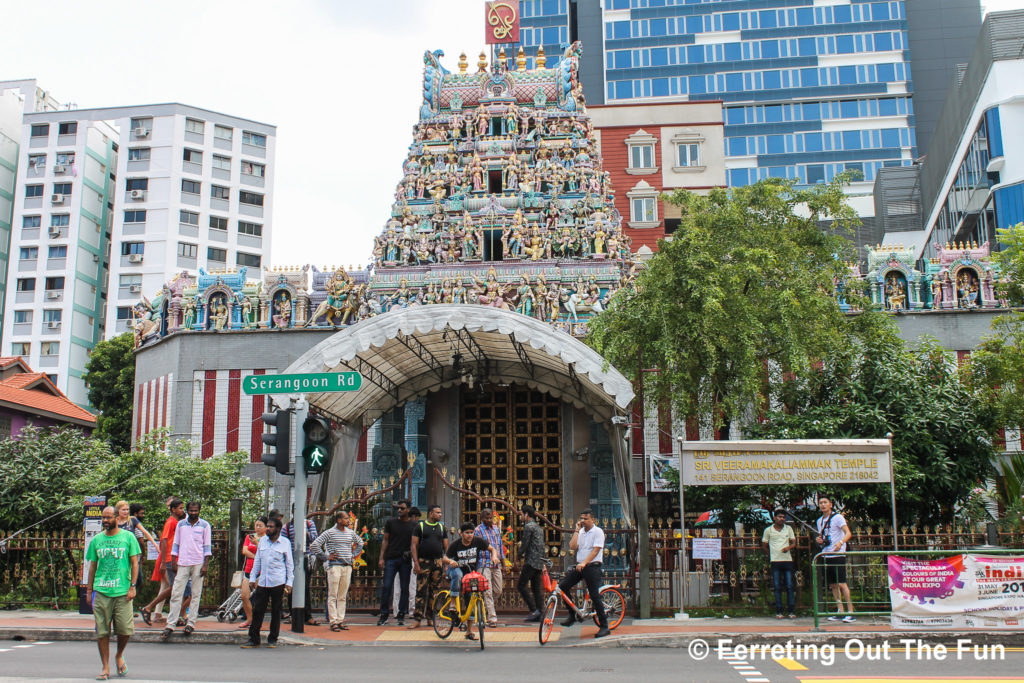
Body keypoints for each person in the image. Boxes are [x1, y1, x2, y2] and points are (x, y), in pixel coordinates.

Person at [86, 506, 141, 680]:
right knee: (102, 632)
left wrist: (132, 586)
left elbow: (134, 564)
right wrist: (89, 590)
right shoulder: (97, 540)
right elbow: (93, 566)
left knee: (125, 630)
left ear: (117, 518)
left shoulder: (128, 537)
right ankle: (105, 667)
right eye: (103, 518)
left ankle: (119, 655)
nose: (105, 521)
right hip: (101, 591)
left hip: (122, 591)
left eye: (108, 517)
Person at [161, 501, 212, 639]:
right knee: (176, 593)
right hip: (183, 562)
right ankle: (170, 624)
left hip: (198, 562)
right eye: (191, 510)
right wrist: (173, 560)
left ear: (199, 511)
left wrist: (205, 564)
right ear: (188, 511)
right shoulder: (181, 524)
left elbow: (207, 547)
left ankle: (191, 622)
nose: (193, 513)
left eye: (196, 510)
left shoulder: (205, 525)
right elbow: (176, 543)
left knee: (195, 594)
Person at [242, 516, 294, 648]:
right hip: (263, 581)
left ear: (277, 528)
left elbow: (289, 564)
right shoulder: (263, 541)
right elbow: (257, 561)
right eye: (268, 526)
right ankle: (254, 639)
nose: (269, 529)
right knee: (258, 609)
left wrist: (289, 582)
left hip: (278, 581)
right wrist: (253, 578)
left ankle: (273, 639)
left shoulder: (285, 543)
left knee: (276, 611)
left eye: (271, 527)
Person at [558, 509, 610, 638]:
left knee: (594, 595)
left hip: (592, 566)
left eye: (586, 518)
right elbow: (572, 546)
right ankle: (572, 614)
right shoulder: (581, 532)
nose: (583, 521)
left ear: (593, 520)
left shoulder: (598, 532)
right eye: (582, 518)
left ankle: (604, 626)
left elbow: (596, 550)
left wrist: (585, 563)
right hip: (580, 566)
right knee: (563, 586)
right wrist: (576, 530)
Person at [443, 522, 499, 641]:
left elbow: (492, 549)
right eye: (467, 533)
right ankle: (453, 603)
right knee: (458, 575)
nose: (469, 535)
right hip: (455, 569)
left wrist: (494, 556)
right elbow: (445, 557)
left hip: (470, 573)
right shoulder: (456, 544)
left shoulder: (478, 541)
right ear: (461, 533)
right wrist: (450, 562)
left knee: (471, 598)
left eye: (471, 532)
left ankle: (469, 631)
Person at [311, 509, 364, 632]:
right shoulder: (329, 533)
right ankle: (333, 621)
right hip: (334, 565)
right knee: (333, 594)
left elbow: (360, 543)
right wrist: (326, 557)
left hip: (347, 565)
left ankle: (340, 620)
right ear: (339, 520)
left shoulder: (350, 533)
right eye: (345, 518)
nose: (348, 520)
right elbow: (314, 545)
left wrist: (353, 555)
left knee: (342, 595)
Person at [139, 498, 184, 625]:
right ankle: (150, 608)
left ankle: (156, 613)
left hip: (170, 558)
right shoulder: (171, 522)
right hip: (169, 559)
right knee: (175, 587)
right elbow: (164, 541)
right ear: (173, 509)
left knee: (168, 587)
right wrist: (164, 562)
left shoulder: (176, 522)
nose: (182, 510)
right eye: (180, 508)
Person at [815, 495, 855, 623]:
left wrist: (841, 542)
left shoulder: (838, 518)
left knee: (842, 583)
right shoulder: (819, 520)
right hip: (826, 554)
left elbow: (848, 533)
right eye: (820, 503)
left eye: (825, 502)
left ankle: (850, 612)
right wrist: (820, 540)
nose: (823, 505)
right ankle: (840, 610)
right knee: (833, 585)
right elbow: (824, 538)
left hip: (838, 555)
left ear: (830, 504)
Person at [409, 504, 448, 629]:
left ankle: (430, 617)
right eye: (437, 512)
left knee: (434, 591)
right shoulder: (420, 526)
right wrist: (416, 562)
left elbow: (446, 546)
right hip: (423, 561)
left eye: (440, 512)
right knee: (421, 590)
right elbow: (414, 545)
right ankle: (417, 618)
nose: (440, 515)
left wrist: (445, 564)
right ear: (431, 513)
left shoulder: (442, 528)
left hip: (437, 562)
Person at [377, 499, 415, 626]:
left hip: (405, 559)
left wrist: (413, 557)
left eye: (402, 508)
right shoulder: (391, 522)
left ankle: (401, 614)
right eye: (398, 508)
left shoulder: (413, 525)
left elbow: (415, 543)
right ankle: (384, 614)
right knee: (387, 586)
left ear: (408, 510)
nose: (399, 510)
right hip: (391, 558)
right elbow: (385, 540)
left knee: (405, 587)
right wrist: (381, 557)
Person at [283, 510, 319, 626]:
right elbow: (283, 542)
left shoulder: (309, 524)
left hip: (306, 560)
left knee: (305, 588)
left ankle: (308, 616)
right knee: (291, 588)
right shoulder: (287, 527)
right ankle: (293, 615)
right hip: (291, 561)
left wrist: (305, 531)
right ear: (293, 511)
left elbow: (315, 538)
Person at [762, 509, 797, 619]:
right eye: (779, 517)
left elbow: (794, 542)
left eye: (783, 517)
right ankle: (779, 611)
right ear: (774, 518)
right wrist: (771, 555)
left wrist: (789, 547)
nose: (781, 519)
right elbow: (764, 545)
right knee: (777, 587)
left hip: (787, 560)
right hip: (775, 561)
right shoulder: (769, 530)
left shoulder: (788, 528)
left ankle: (791, 611)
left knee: (790, 586)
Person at [473, 508, 505, 627]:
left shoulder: (496, 529)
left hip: (496, 564)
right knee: (488, 591)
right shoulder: (477, 530)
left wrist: (503, 562)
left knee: (498, 590)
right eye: (487, 518)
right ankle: (492, 618)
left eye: (491, 518)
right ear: (482, 518)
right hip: (483, 563)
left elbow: (499, 545)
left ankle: (485, 607)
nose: (489, 520)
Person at [517, 504, 547, 622]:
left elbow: (525, 544)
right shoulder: (538, 527)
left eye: (521, 514)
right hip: (539, 562)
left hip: (531, 561)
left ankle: (534, 610)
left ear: (526, 514)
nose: (521, 516)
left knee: (521, 585)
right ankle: (539, 612)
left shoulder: (528, 527)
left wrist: (518, 556)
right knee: (536, 588)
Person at [239, 516, 268, 629]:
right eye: (256, 525)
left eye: (260, 526)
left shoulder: (266, 539)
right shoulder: (249, 537)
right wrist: (256, 557)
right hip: (249, 570)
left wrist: (257, 544)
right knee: (244, 595)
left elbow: (265, 552)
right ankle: (249, 618)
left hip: (261, 571)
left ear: (266, 527)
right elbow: (244, 550)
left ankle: (257, 620)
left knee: (259, 598)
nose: (257, 528)